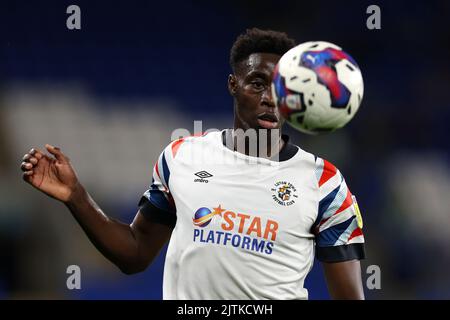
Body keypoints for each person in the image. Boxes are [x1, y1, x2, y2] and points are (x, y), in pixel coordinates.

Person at [20, 28, 365, 300]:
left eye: (278, 87)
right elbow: (135, 254)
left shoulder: (326, 184)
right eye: (257, 84)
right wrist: (77, 196)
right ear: (234, 85)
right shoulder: (182, 156)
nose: (268, 98)